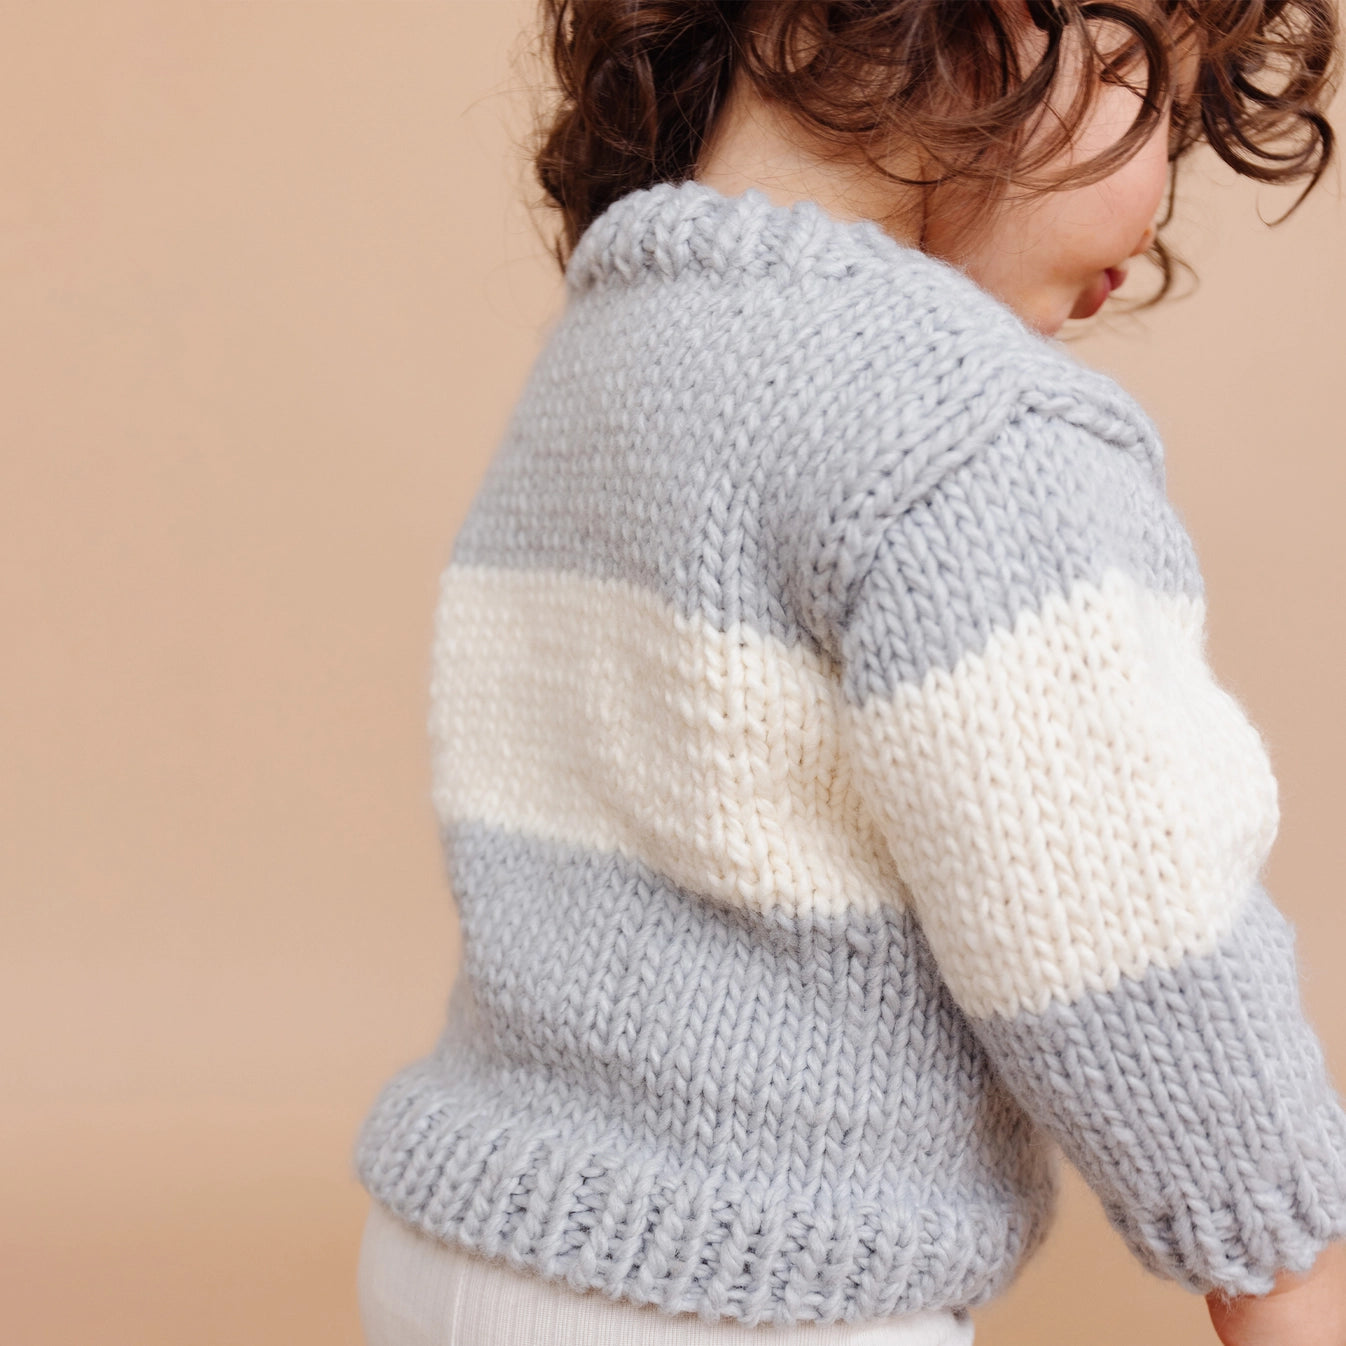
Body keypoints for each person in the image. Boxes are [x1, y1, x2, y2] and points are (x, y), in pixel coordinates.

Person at [351, 2, 1346, 1343]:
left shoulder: (615, 352)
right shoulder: (965, 433)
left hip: (464, 1236)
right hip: (745, 1287)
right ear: (992, 28)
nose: (1163, 197)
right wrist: (1285, 1273)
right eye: (1148, 97)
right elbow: (1134, 929)